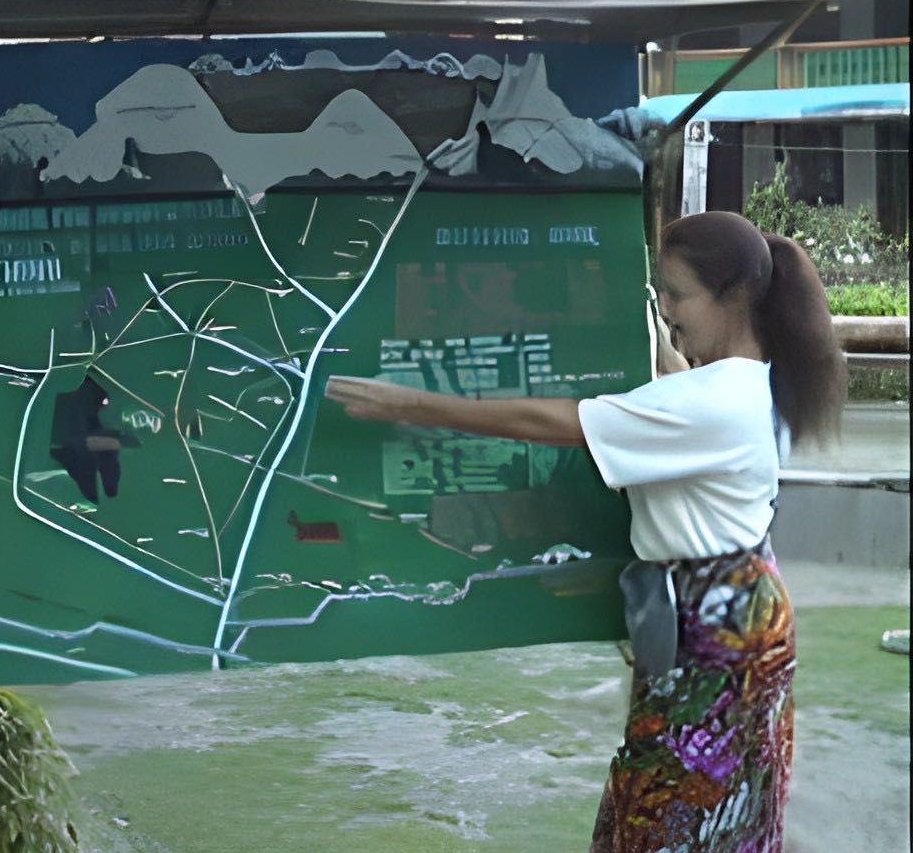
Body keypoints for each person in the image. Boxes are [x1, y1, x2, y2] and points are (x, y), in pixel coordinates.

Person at [324, 210, 845, 852]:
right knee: (713, 808)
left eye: (678, 295)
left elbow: (558, 422)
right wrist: (653, 330)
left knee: (677, 807)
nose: (669, 311)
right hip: (735, 607)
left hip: (717, 630)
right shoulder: (747, 385)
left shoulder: (712, 403)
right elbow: (681, 394)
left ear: (733, 295)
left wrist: (411, 403)